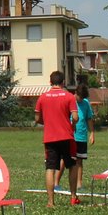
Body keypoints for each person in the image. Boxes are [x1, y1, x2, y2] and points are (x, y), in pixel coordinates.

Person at [33, 71, 79, 207]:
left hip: (50, 137)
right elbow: (75, 117)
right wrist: (72, 124)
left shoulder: (42, 97)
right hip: (67, 136)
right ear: (63, 82)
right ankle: (73, 197)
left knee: (50, 168)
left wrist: (47, 122)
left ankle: (51, 202)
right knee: (72, 165)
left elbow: (37, 118)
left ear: (50, 82)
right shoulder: (69, 96)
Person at [73, 83, 94, 168]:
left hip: (81, 136)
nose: (81, 99)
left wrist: (92, 133)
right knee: (65, 161)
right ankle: (56, 181)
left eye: (83, 98)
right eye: (80, 97)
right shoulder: (69, 101)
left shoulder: (86, 103)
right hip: (70, 136)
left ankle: (79, 181)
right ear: (75, 92)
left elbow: (89, 118)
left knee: (79, 162)